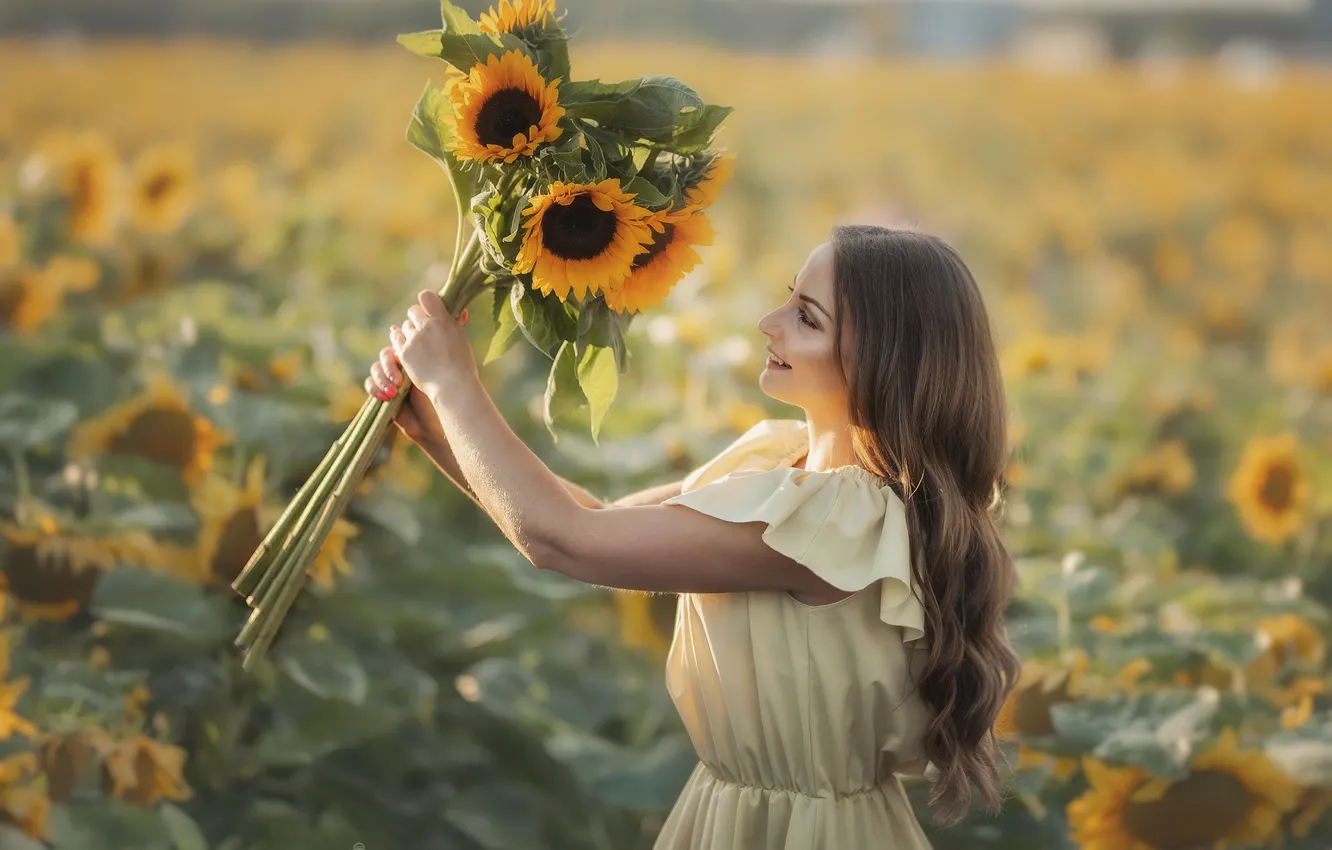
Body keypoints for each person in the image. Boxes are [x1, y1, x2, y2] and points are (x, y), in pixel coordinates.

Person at [364, 223, 1021, 849]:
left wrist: (455, 381)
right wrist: (435, 428)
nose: (770, 323)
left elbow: (563, 539)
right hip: (736, 810)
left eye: (807, 318)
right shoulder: (778, 461)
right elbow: (599, 516)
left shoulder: (840, 519)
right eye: (790, 297)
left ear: (882, 367)